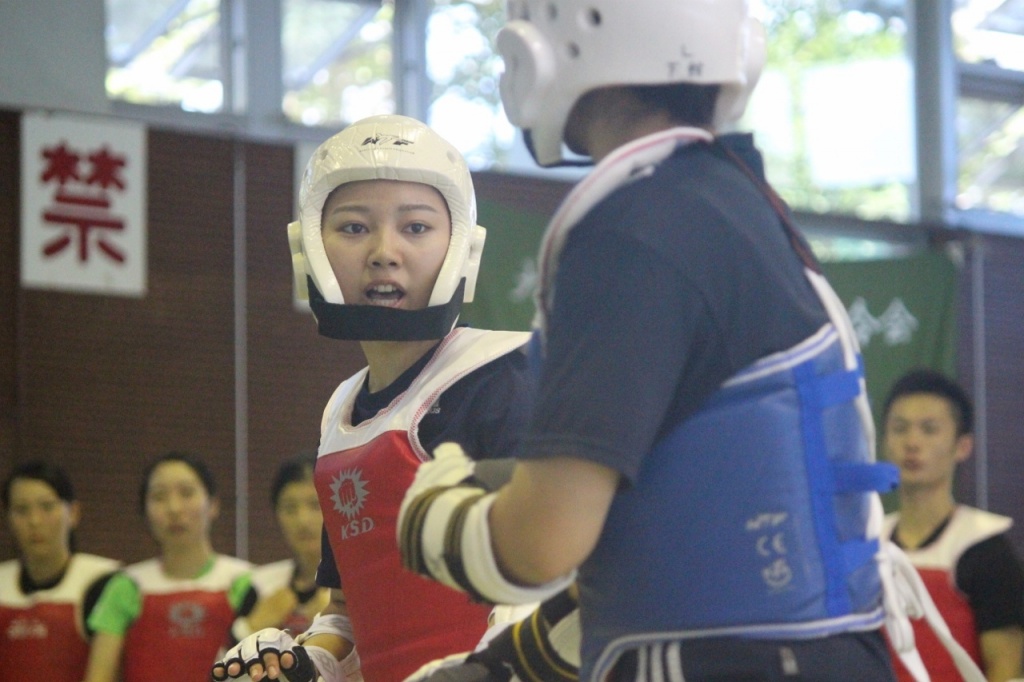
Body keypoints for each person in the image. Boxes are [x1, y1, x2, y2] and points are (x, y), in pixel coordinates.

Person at [395, 2, 923, 680]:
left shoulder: (633, 228)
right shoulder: (734, 199)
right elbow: (705, 494)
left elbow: (539, 546)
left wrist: (430, 514)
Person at [211, 114, 537, 682]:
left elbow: (547, 578)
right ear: (307, 247)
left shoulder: (505, 377)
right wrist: (301, 662)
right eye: (355, 228)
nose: (385, 252)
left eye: (415, 228)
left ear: (462, 248)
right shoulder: (341, 413)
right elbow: (346, 613)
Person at [882, 369, 1024, 682]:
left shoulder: (986, 549)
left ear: (963, 446)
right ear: (885, 442)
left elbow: (1008, 669)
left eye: (929, 429)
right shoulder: (869, 544)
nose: (912, 442)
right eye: (900, 428)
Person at [84, 451, 253, 682]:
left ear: (213, 504)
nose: (174, 508)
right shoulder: (126, 585)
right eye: (159, 496)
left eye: (186, 493)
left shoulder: (246, 581)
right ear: (145, 512)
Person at [0, 460, 120, 682]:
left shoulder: (105, 583)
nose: (34, 521)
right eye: (21, 510)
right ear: (8, 518)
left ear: (73, 513)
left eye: (46, 507)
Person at [230, 453, 331, 644]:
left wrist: (335, 621)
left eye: (315, 505)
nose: (303, 520)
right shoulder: (261, 584)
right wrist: (252, 626)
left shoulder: (356, 585)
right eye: (290, 508)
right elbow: (223, 667)